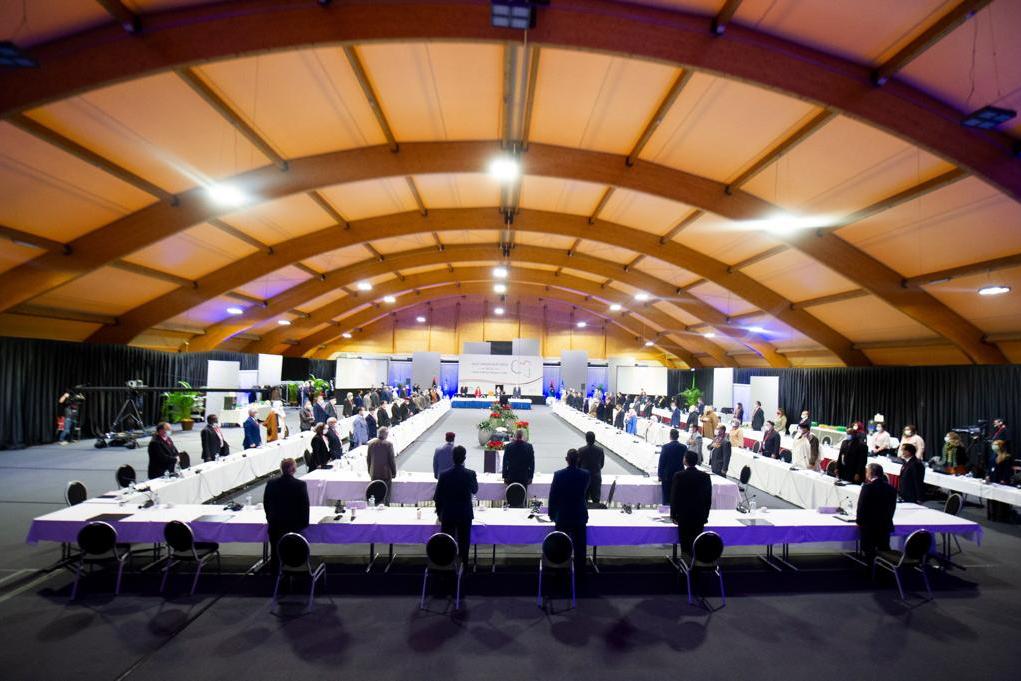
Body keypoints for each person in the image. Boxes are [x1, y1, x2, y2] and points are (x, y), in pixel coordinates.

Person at [548, 448, 591, 576]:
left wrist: (552, 514)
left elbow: (553, 496)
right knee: (580, 547)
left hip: (563, 516)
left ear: (566, 459)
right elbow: (584, 493)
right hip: (579, 515)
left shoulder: (558, 474)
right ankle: (580, 574)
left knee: (561, 545)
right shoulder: (586, 474)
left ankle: (560, 571)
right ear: (578, 460)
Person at [263, 458, 310, 573]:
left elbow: (266, 503)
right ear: (293, 469)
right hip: (293, 527)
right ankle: (294, 571)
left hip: (275, 527)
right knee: (293, 552)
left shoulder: (271, 483)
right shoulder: (300, 485)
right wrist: (304, 524)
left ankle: (275, 576)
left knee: (275, 553)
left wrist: (270, 519)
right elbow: (304, 507)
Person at [433, 445, 478, 565]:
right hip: (464, 514)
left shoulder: (444, 475)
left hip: (448, 514)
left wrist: (440, 514)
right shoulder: (470, 474)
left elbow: (437, 497)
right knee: (464, 544)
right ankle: (464, 567)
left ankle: (447, 567)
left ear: (452, 458)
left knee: (447, 544)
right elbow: (475, 490)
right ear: (464, 458)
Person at [670, 450, 713, 555]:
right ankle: (695, 560)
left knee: (685, 543)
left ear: (685, 460)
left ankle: (686, 560)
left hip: (683, 516)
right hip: (699, 515)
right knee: (697, 541)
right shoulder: (705, 476)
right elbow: (708, 499)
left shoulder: (679, 476)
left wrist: (673, 515)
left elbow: (674, 497)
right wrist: (706, 516)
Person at [855, 463, 897, 561]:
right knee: (883, 549)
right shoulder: (891, 489)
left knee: (868, 551)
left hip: (869, 527)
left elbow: (861, 507)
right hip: (885, 526)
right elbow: (892, 508)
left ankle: (870, 567)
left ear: (870, 473)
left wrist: (859, 521)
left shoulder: (867, 487)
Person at [366, 427, 397, 504]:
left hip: (374, 473)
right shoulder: (389, 444)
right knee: (386, 493)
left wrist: (369, 471)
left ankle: (375, 506)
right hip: (385, 474)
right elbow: (391, 460)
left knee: (375, 493)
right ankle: (385, 506)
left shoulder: (371, 444)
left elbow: (368, 459)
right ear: (386, 435)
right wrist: (394, 472)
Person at [986, 440, 1015, 521]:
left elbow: (1008, 470)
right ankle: (992, 514)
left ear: (1000, 446)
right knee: (992, 497)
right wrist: (987, 475)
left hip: (1001, 480)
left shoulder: (1007, 457)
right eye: (993, 444)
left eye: (995, 445)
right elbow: (989, 467)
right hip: (993, 478)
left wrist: (1004, 479)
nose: (993, 446)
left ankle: (1002, 515)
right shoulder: (993, 455)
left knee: (1001, 498)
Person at [657, 429, 687, 504]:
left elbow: (661, 462)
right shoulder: (683, 447)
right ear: (678, 437)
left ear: (670, 436)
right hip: (680, 474)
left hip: (667, 476)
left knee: (667, 497)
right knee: (678, 497)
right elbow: (685, 461)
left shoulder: (665, 447)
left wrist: (660, 475)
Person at [576, 431, 605, 504]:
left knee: (583, 500)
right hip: (596, 478)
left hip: (584, 478)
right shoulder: (600, 450)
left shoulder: (581, 450)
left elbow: (578, 465)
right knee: (596, 500)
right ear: (594, 439)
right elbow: (601, 464)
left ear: (586, 439)